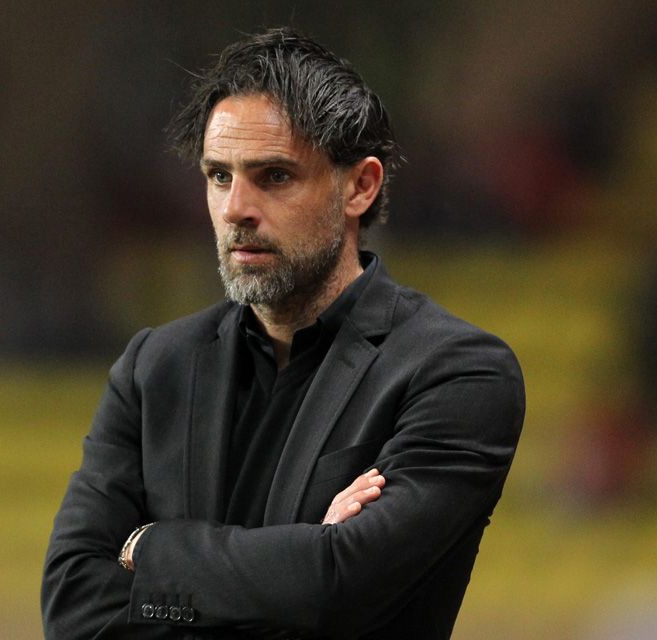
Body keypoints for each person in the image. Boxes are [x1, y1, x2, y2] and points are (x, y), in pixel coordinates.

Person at [41, 27, 524, 639]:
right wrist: (303, 560)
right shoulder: (153, 367)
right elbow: (72, 607)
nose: (235, 209)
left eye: (273, 176)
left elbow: (341, 587)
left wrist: (149, 548)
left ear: (360, 186)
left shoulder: (457, 373)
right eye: (219, 176)